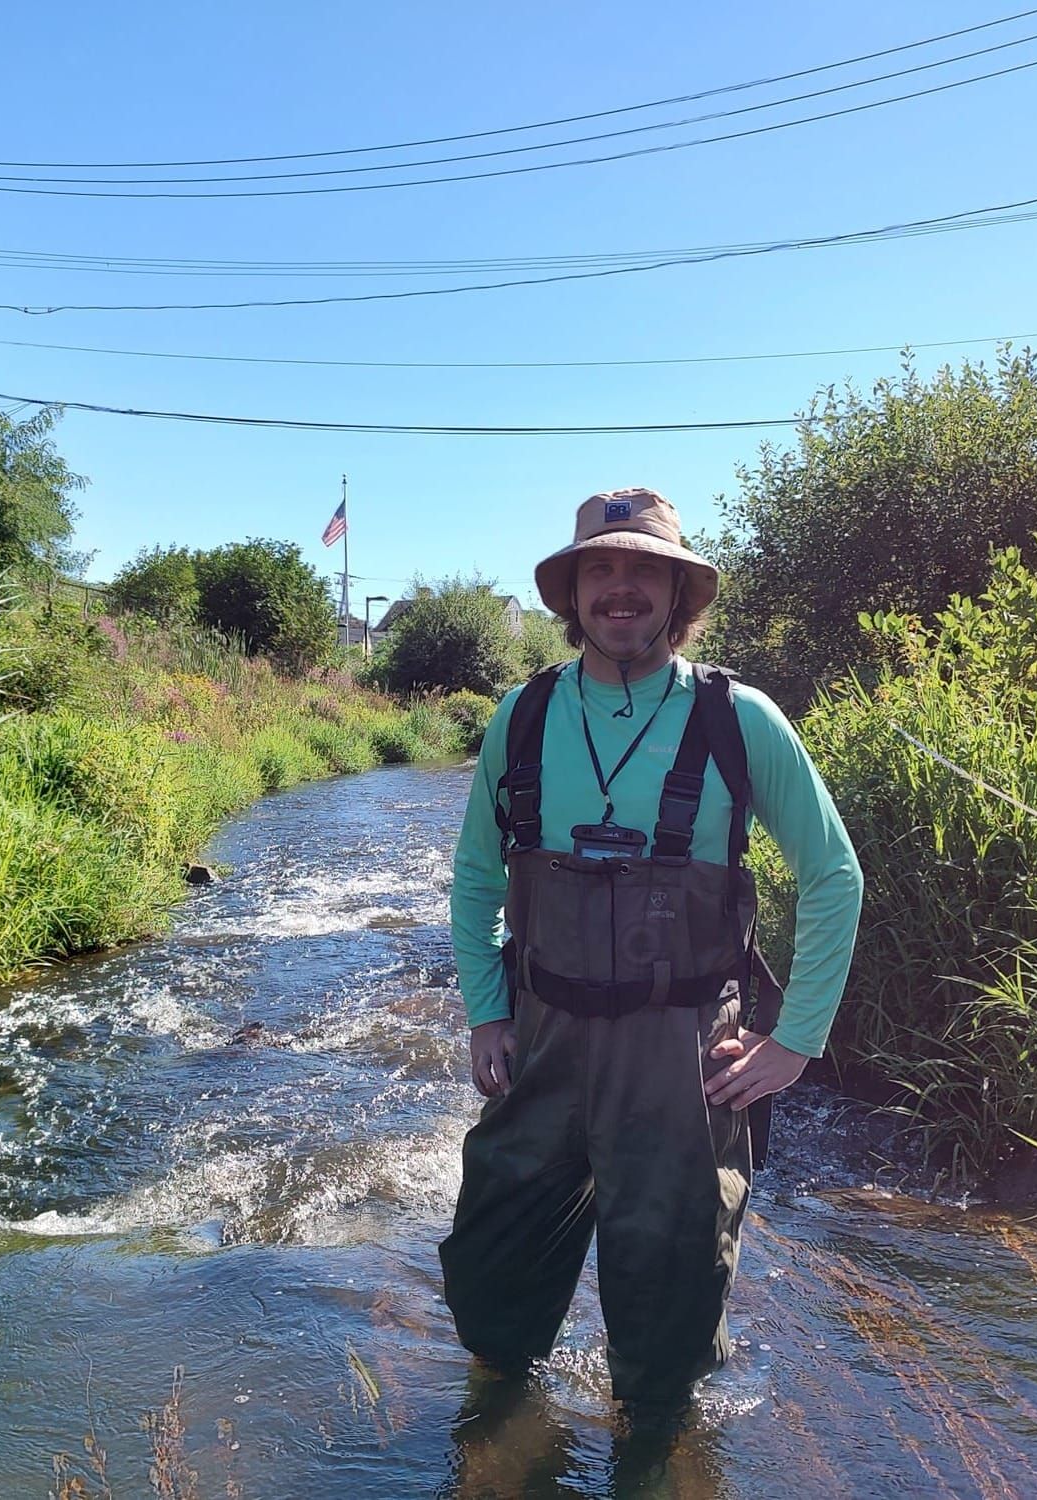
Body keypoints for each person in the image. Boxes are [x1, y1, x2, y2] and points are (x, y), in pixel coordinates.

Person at [438, 487, 864, 1406]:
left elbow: (834, 876)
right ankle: (501, 1435)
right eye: (601, 568)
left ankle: (654, 1443)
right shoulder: (519, 716)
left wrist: (794, 1043)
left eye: (644, 570)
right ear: (571, 594)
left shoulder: (738, 719)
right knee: (490, 1285)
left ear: (679, 596)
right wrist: (485, 1015)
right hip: (541, 1039)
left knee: (666, 1322)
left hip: (683, 1057)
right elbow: (476, 882)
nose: (619, 588)